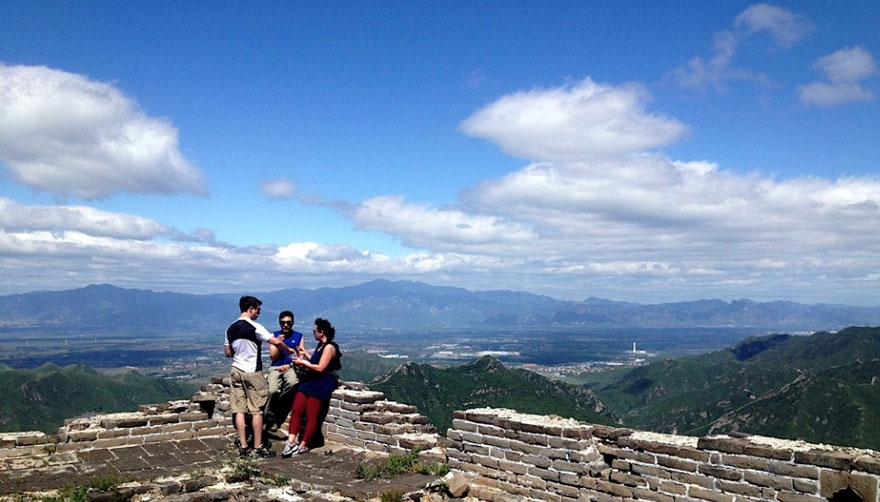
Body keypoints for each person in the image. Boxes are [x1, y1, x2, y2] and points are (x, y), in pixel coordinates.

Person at [224, 295, 296, 458]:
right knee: (257, 411)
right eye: (257, 310)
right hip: (252, 371)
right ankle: (257, 447)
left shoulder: (230, 328)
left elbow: (228, 353)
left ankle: (243, 446)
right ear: (250, 309)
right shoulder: (254, 327)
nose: (258, 313)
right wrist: (288, 349)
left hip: (236, 370)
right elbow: (275, 342)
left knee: (239, 410)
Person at [281, 317, 342, 457]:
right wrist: (304, 353)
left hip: (322, 382)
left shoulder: (329, 347)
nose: (313, 333)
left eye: (315, 331)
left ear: (322, 332)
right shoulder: (320, 346)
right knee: (297, 408)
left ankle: (303, 444)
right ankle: (291, 442)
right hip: (311, 380)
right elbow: (315, 361)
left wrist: (302, 363)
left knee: (311, 413)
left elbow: (321, 367)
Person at [263, 310, 305, 436]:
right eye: (283, 323)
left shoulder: (299, 336)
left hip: (291, 366)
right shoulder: (274, 336)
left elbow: (300, 355)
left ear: (292, 323)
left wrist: (290, 364)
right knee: (273, 390)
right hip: (276, 367)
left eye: (288, 322)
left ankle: (277, 409)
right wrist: (278, 343)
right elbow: (273, 357)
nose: (285, 325)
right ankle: (269, 415)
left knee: (293, 383)